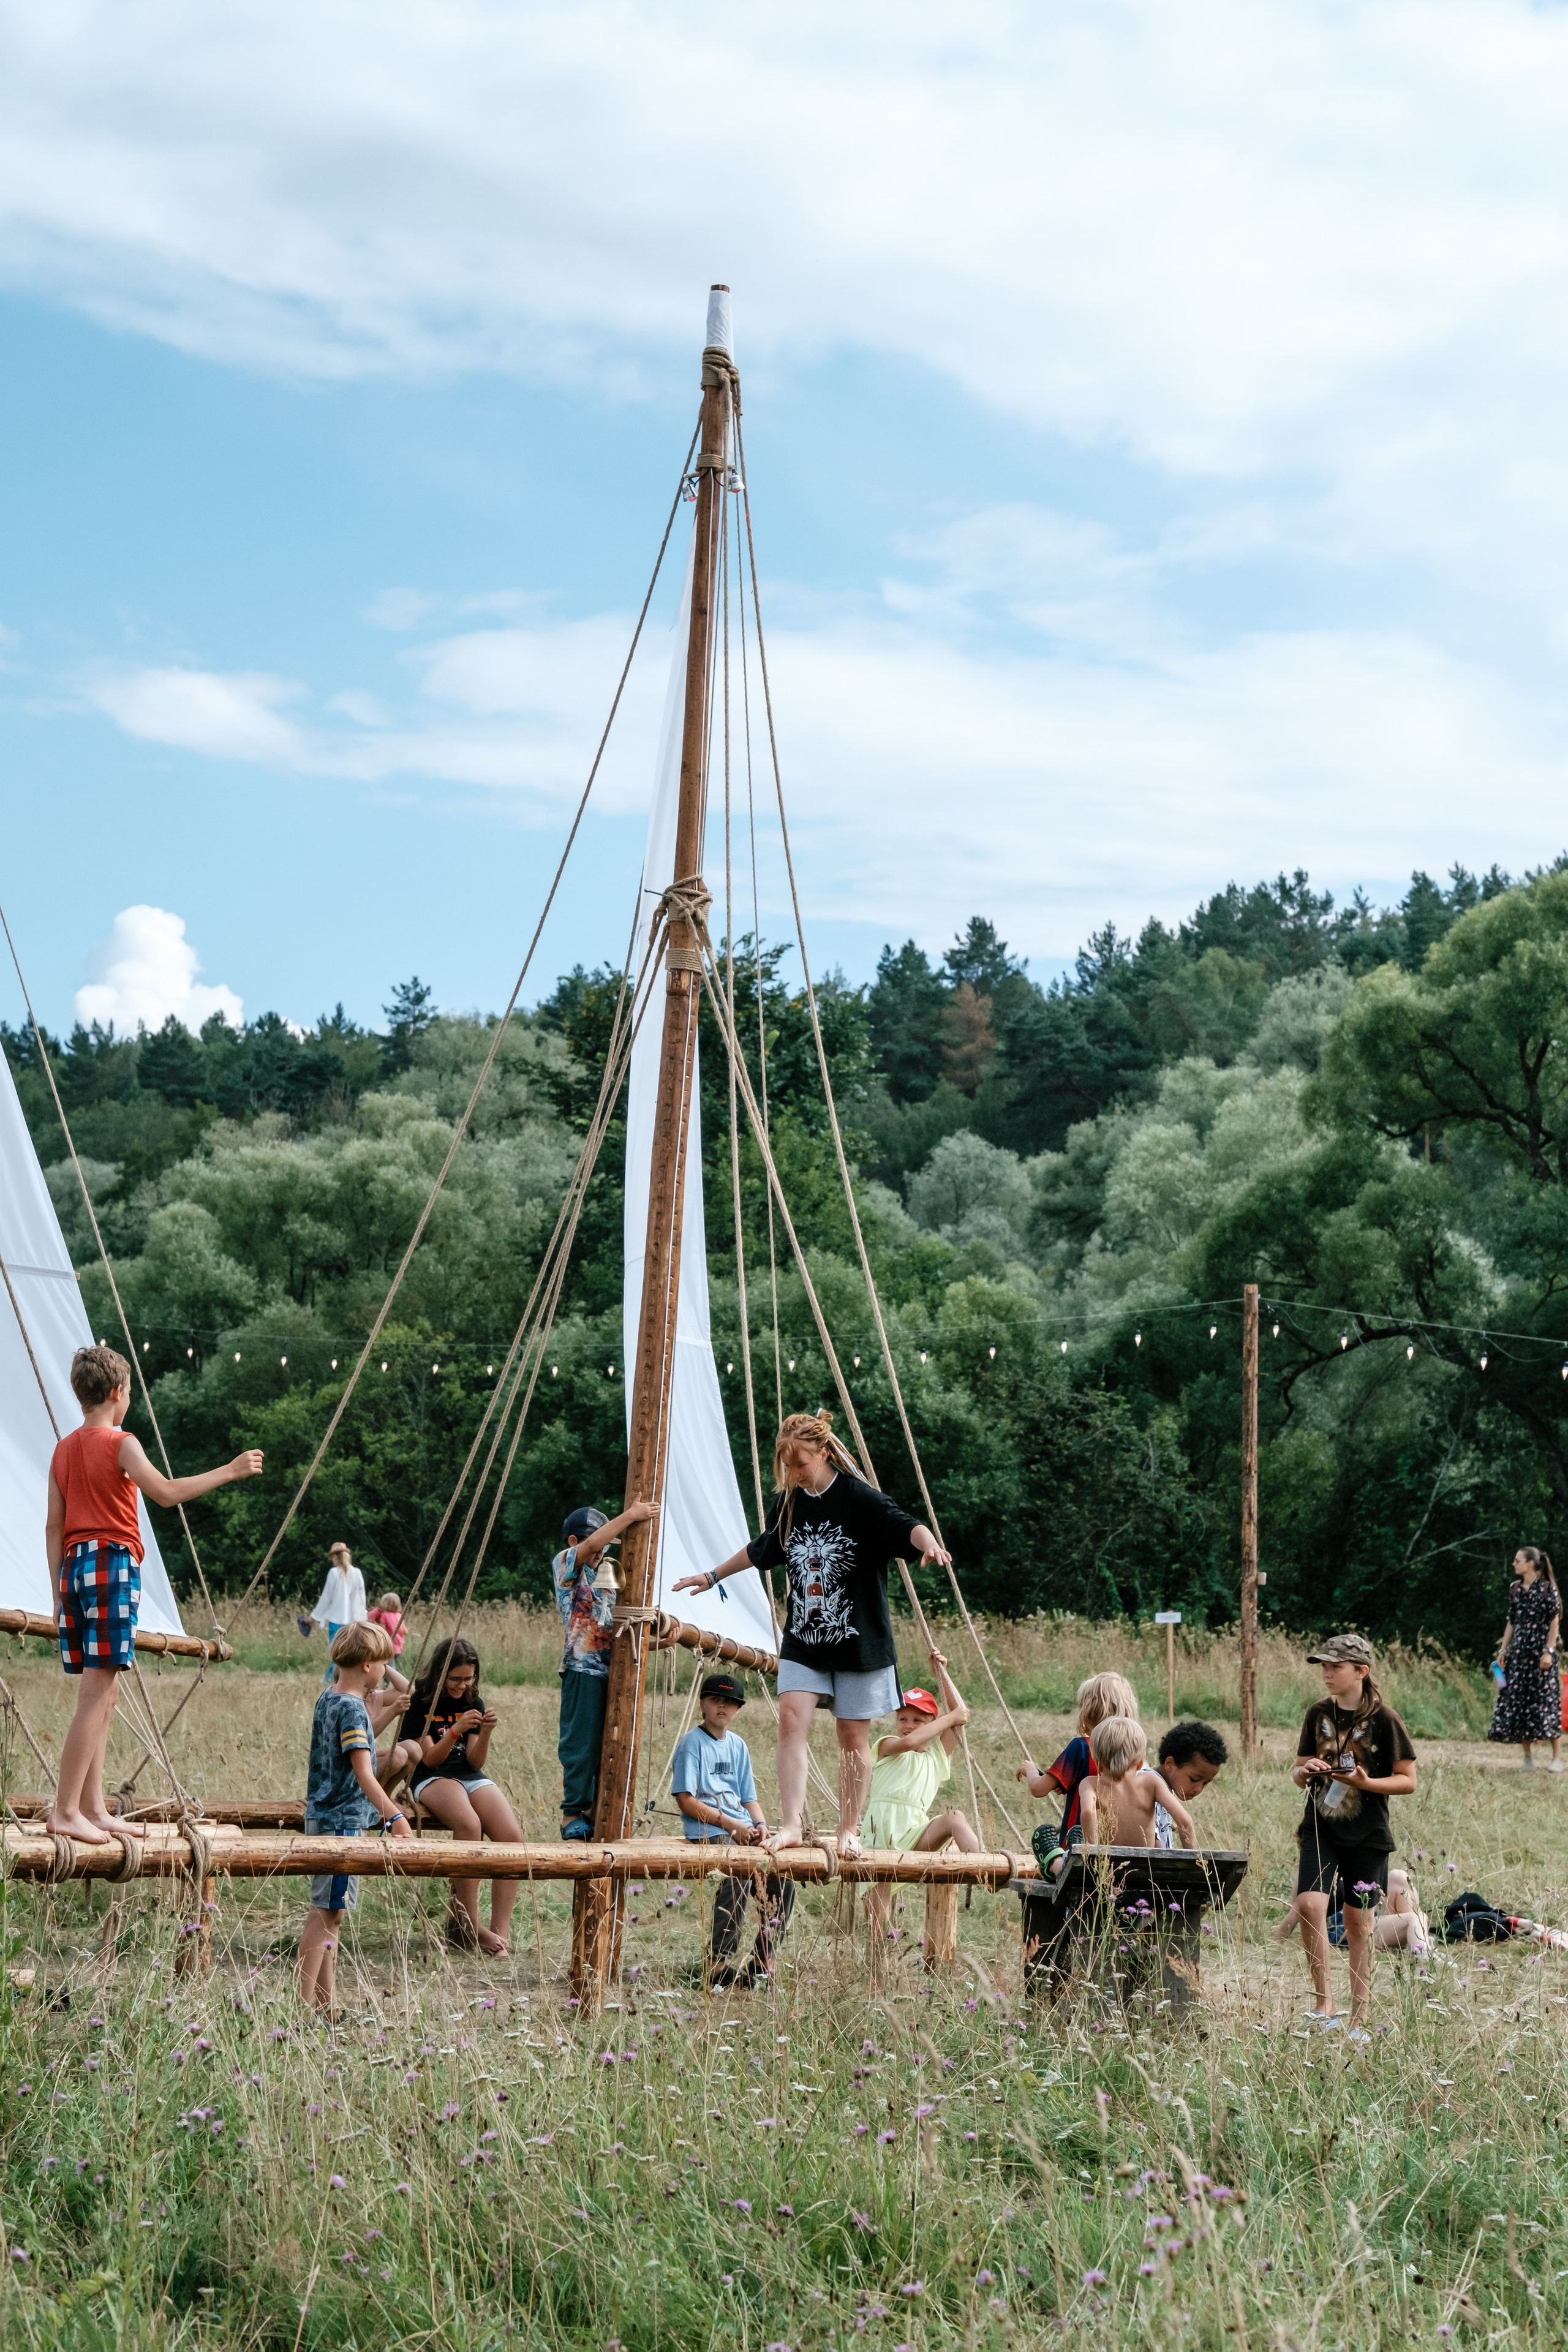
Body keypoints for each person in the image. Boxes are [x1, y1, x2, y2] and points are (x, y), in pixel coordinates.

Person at [673, 1411, 953, 1860]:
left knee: (851, 1735)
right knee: (790, 1719)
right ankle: (790, 1825)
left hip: (858, 1640)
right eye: (787, 1466)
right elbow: (763, 1548)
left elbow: (907, 1526)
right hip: (804, 1638)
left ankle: (849, 1829)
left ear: (823, 1453)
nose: (794, 1474)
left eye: (800, 1464)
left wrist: (930, 1544)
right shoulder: (790, 1504)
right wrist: (713, 1575)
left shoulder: (860, 1499)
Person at [44, 1343, 263, 1845]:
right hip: (112, 1564)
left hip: (74, 1568)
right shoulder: (121, 1443)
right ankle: (65, 1809)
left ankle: (92, 1807)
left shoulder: (62, 1449)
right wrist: (230, 1471)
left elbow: (54, 1525)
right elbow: (164, 1493)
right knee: (97, 1692)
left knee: (105, 1689)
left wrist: (57, 1590)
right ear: (118, 1393)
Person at [1291, 1632, 1417, 2038]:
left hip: (1368, 1833)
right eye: (1324, 1667)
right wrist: (1305, 1771)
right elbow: (1297, 1771)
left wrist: (1366, 1783)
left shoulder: (1386, 1720)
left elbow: (1408, 1780)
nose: (1327, 1673)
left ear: (1361, 1671)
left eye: (1336, 1667)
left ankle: (1359, 2018)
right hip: (1320, 1825)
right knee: (1309, 1904)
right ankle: (1323, 2004)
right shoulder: (1317, 1713)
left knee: (1359, 1923)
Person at [300, 1620, 413, 2011]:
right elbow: (364, 1773)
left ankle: (325, 2006)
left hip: (323, 1815)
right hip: (341, 1822)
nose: (385, 1669)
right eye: (383, 1663)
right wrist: (395, 1817)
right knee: (324, 1914)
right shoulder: (352, 1709)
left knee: (332, 1914)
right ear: (367, 1665)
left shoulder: (329, 1697)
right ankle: (301, 2010)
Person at [671, 1672, 794, 1990]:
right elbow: (686, 1800)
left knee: (784, 1878)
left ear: (738, 1710)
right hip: (709, 1828)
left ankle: (763, 1960)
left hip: (741, 1827)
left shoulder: (738, 1745)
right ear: (703, 1704)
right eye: (715, 1700)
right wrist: (731, 1825)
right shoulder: (692, 1745)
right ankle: (718, 1963)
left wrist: (761, 1826)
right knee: (738, 1875)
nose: (722, 1707)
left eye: (729, 1703)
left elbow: (748, 1797)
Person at [402, 1638, 525, 1956]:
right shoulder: (420, 1703)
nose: (462, 1685)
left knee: (511, 1837)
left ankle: (499, 1934)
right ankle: (469, 1926)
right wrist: (455, 1730)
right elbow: (430, 1760)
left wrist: (485, 1733)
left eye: (469, 1678)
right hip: (430, 1777)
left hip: (468, 1774)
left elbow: (474, 1762)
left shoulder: (474, 1701)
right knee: (470, 1826)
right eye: (455, 1679)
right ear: (440, 1674)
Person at [554, 1496, 659, 1839]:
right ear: (575, 1541)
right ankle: (572, 1814)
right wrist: (630, 1515)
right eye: (597, 1544)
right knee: (581, 1745)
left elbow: (616, 1631)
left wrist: (658, 1641)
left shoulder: (607, 1578)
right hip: (582, 1670)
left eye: (605, 1547)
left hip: (612, 1673)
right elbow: (591, 1545)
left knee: (610, 1745)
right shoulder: (566, 1565)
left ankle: (597, 1811)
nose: (601, 1552)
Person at [862, 1650, 980, 1951]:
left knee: (955, 1818)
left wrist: (942, 1675)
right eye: (903, 1718)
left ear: (932, 1723)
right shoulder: (888, 1746)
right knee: (877, 1919)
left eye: (918, 1720)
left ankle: (983, 1869)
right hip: (881, 1835)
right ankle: (878, 1970)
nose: (909, 1725)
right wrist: (948, 1719)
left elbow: (961, 1715)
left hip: (915, 1833)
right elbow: (913, 1741)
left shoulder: (936, 1757)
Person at [1017, 1672, 1140, 1872]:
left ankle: (1054, 1863)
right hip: (1118, 1846)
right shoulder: (1134, 1755)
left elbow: (1039, 1789)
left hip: (1077, 1844)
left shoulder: (1082, 1748)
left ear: (1089, 1710)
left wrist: (1031, 1770)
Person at [1487, 1547, 1564, 1771]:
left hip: (1542, 1657)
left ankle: (1557, 1758)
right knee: (1519, 1704)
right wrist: (1503, 1651)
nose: (1514, 1564)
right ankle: (1528, 1758)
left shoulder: (1548, 1589)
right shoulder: (1515, 1589)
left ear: (1530, 1563)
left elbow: (1555, 1620)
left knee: (1547, 1703)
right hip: (1519, 1656)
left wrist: (1549, 1651)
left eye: (1517, 1560)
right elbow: (1511, 1621)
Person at [1078, 1716, 1196, 1852]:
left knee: (1066, 1855)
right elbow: (1185, 1821)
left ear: (1097, 1763)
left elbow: (1088, 1813)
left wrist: (1094, 1855)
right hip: (1147, 1863)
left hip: (1110, 1861)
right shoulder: (1151, 1782)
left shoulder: (1090, 1784)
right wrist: (1194, 1861)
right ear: (1141, 1762)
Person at [1275, 1865, 1430, 1958]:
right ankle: (1425, 1956)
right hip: (1343, 1928)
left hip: (1370, 1916)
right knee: (1414, 1919)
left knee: (1399, 1876)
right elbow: (1299, 1909)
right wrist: (1276, 1945)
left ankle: (1417, 1943)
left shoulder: (1356, 1854)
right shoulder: (1316, 1865)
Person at [1150, 1720, 1229, 1848]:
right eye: (1194, 1779)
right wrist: (1195, 1860)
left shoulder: (1160, 1785)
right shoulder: (1149, 1784)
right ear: (1170, 1764)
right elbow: (1185, 1823)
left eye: (1205, 1783)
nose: (1198, 1789)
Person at [307, 1543, 368, 1687]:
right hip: (354, 1621)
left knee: (337, 1653)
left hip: (337, 1619)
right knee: (351, 1653)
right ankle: (345, 1681)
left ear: (337, 1557)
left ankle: (330, 1681)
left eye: (333, 1557)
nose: (332, 1560)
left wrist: (314, 1617)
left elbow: (326, 1597)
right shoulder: (357, 1573)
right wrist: (363, 1618)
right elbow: (362, 1599)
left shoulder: (334, 1573)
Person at [368, 1591, 406, 1656]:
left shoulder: (385, 1615)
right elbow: (405, 1632)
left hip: (389, 1647)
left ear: (385, 1604)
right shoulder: (400, 1615)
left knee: (388, 1662)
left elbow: (382, 1630)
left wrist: (373, 1625)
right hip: (399, 1648)